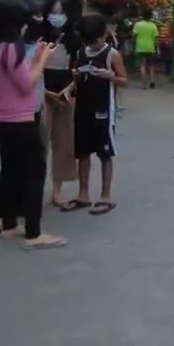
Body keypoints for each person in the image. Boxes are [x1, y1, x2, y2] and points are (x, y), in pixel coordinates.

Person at [0, 0, 66, 250]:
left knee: (11, 171)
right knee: (33, 174)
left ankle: (9, 224)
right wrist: (43, 59)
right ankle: (34, 233)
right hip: (21, 120)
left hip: (5, 119)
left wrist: (36, 56)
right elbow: (27, 83)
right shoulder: (11, 48)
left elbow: (16, 77)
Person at [61, 14, 127, 215]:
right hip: (83, 108)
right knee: (83, 152)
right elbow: (78, 78)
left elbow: (124, 80)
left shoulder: (112, 55)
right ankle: (83, 194)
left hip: (104, 110)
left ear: (104, 35)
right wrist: (73, 82)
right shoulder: (81, 52)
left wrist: (111, 76)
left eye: (96, 40)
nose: (94, 44)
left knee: (104, 153)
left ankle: (105, 195)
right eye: (89, 41)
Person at [31, 0, 79, 208]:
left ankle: (58, 190)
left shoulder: (74, 38)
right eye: (53, 11)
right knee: (39, 143)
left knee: (64, 143)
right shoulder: (38, 36)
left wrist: (69, 89)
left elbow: (77, 67)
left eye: (61, 12)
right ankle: (35, 188)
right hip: (41, 93)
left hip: (66, 93)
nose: (57, 16)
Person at [132, 7, 159, 89]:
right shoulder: (153, 26)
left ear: (142, 15)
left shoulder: (138, 25)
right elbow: (156, 39)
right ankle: (152, 81)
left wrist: (134, 44)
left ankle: (144, 85)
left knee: (143, 65)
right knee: (151, 65)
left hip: (140, 47)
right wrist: (156, 47)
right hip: (150, 48)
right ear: (150, 16)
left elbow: (134, 36)